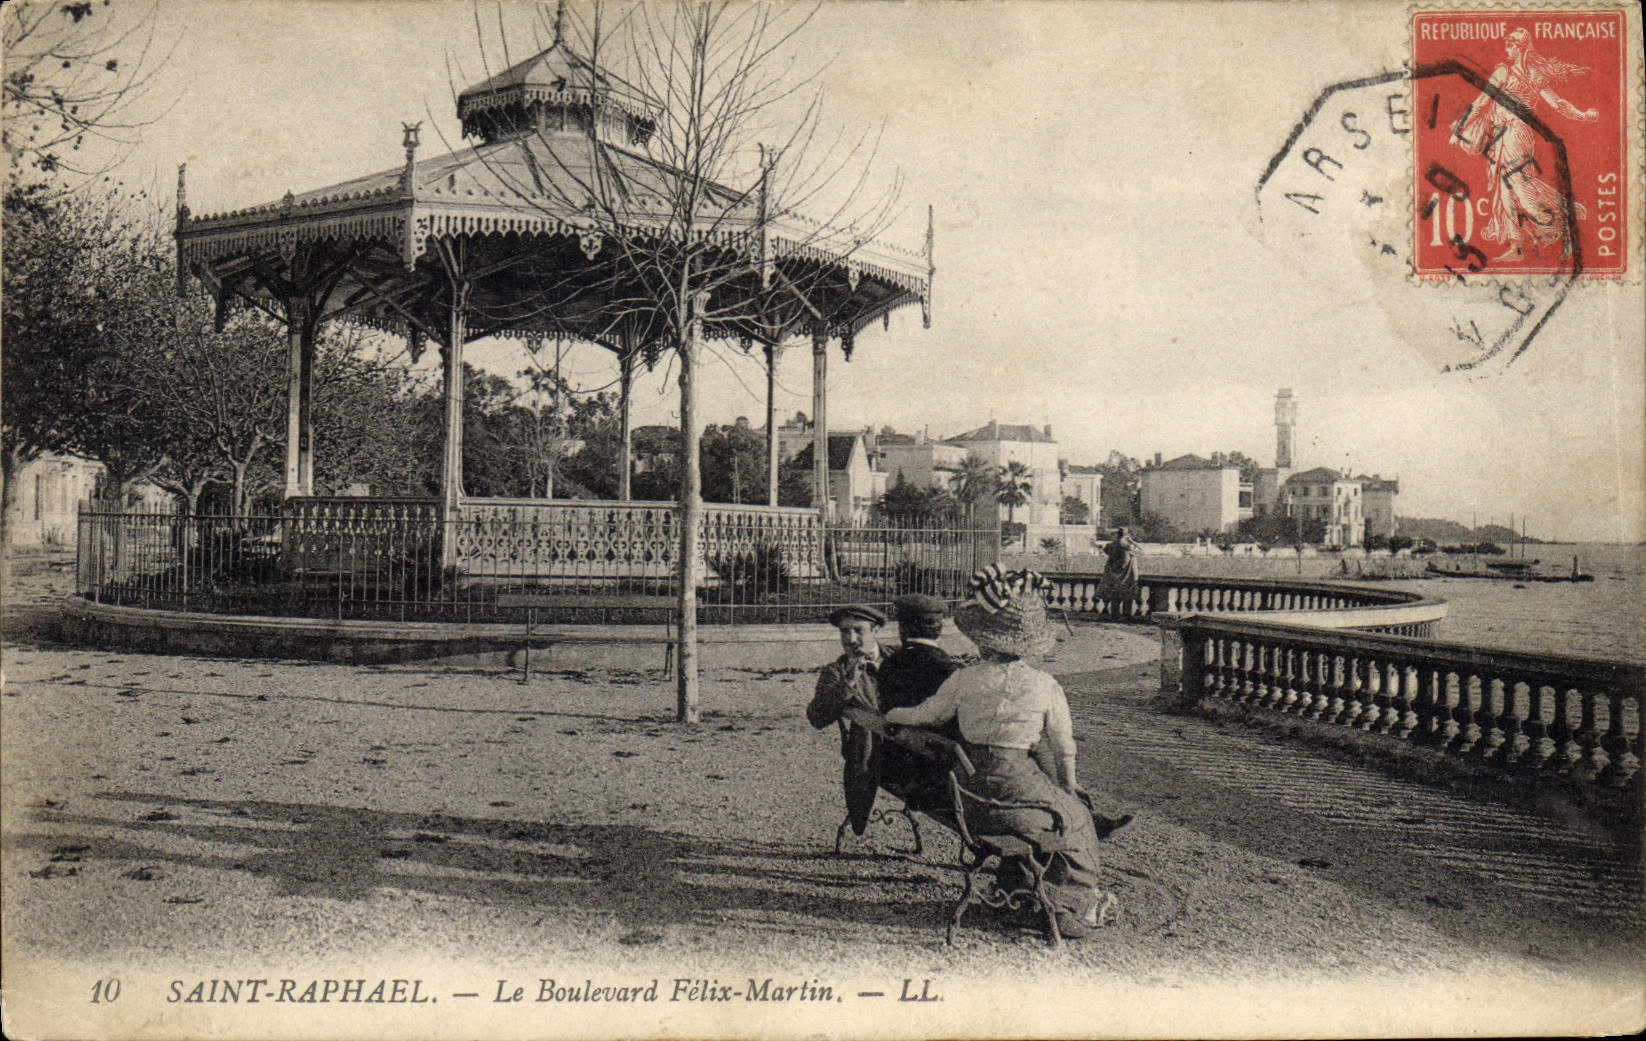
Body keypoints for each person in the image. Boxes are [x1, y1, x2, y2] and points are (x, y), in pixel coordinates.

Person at [885, 566, 1118, 938]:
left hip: (968, 795)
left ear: (983, 640)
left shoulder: (965, 678)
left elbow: (925, 715)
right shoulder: (1045, 685)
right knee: (1076, 819)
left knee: (1051, 814)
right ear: (1030, 644)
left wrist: (892, 714)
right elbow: (1063, 746)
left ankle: (1018, 888)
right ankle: (1066, 904)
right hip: (1016, 791)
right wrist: (1070, 786)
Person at [1450, 27, 1599, 262]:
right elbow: (1483, 102)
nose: (1507, 49)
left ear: (1521, 49)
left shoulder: (1510, 72)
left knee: (1518, 186)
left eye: (1511, 45)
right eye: (1507, 45)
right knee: (1505, 188)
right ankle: (1516, 246)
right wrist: (1582, 115)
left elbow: (1483, 102)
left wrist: (1582, 116)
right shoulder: (1521, 73)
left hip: (1514, 134)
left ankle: (1561, 219)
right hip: (1503, 135)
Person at [806, 605, 890, 837]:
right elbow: (817, 717)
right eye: (844, 631)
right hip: (869, 756)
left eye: (858, 630)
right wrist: (849, 685)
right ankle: (859, 816)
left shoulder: (898, 658)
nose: (850, 639)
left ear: (876, 631)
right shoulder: (836, 672)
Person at [875, 594, 964, 811]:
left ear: (903, 628)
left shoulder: (888, 665)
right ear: (939, 629)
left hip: (896, 762)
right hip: (934, 772)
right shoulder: (947, 669)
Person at [1098, 527, 1140, 618]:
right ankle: (1126, 616)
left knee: (1115, 596)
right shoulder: (1128, 545)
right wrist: (1131, 541)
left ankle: (1114, 616)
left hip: (1114, 574)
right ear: (1126, 535)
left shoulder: (1112, 545)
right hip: (1127, 575)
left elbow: (1106, 550)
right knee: (1127, 596)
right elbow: (1139, 550)